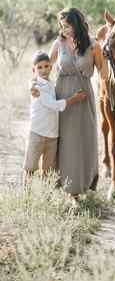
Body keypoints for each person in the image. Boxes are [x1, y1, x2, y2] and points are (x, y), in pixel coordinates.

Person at [48, 7, 106, 200]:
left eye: (68, 26)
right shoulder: (59, 42)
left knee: (82, 141)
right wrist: (36, 84)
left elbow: (104, 74)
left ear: (77, 24)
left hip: (83, 96)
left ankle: (81, 186)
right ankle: (67, 189)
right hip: (62, 95)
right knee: (64, 142)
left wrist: (105, 54)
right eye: (62, 26)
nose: (64, 30)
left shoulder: (92, 44)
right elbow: (45, 68)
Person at [23, 50, 86, 186]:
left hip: (52, 135)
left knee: (47, 171)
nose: (43, 70)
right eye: (39, 67)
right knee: (30, 168)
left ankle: (46, 197)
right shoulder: (36, 87)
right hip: (37, 133)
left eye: (46, 66)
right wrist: (73, 99)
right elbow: (53, 105)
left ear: (51, 67)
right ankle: (26, 196)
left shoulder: (52, 84)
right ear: (33, 69)